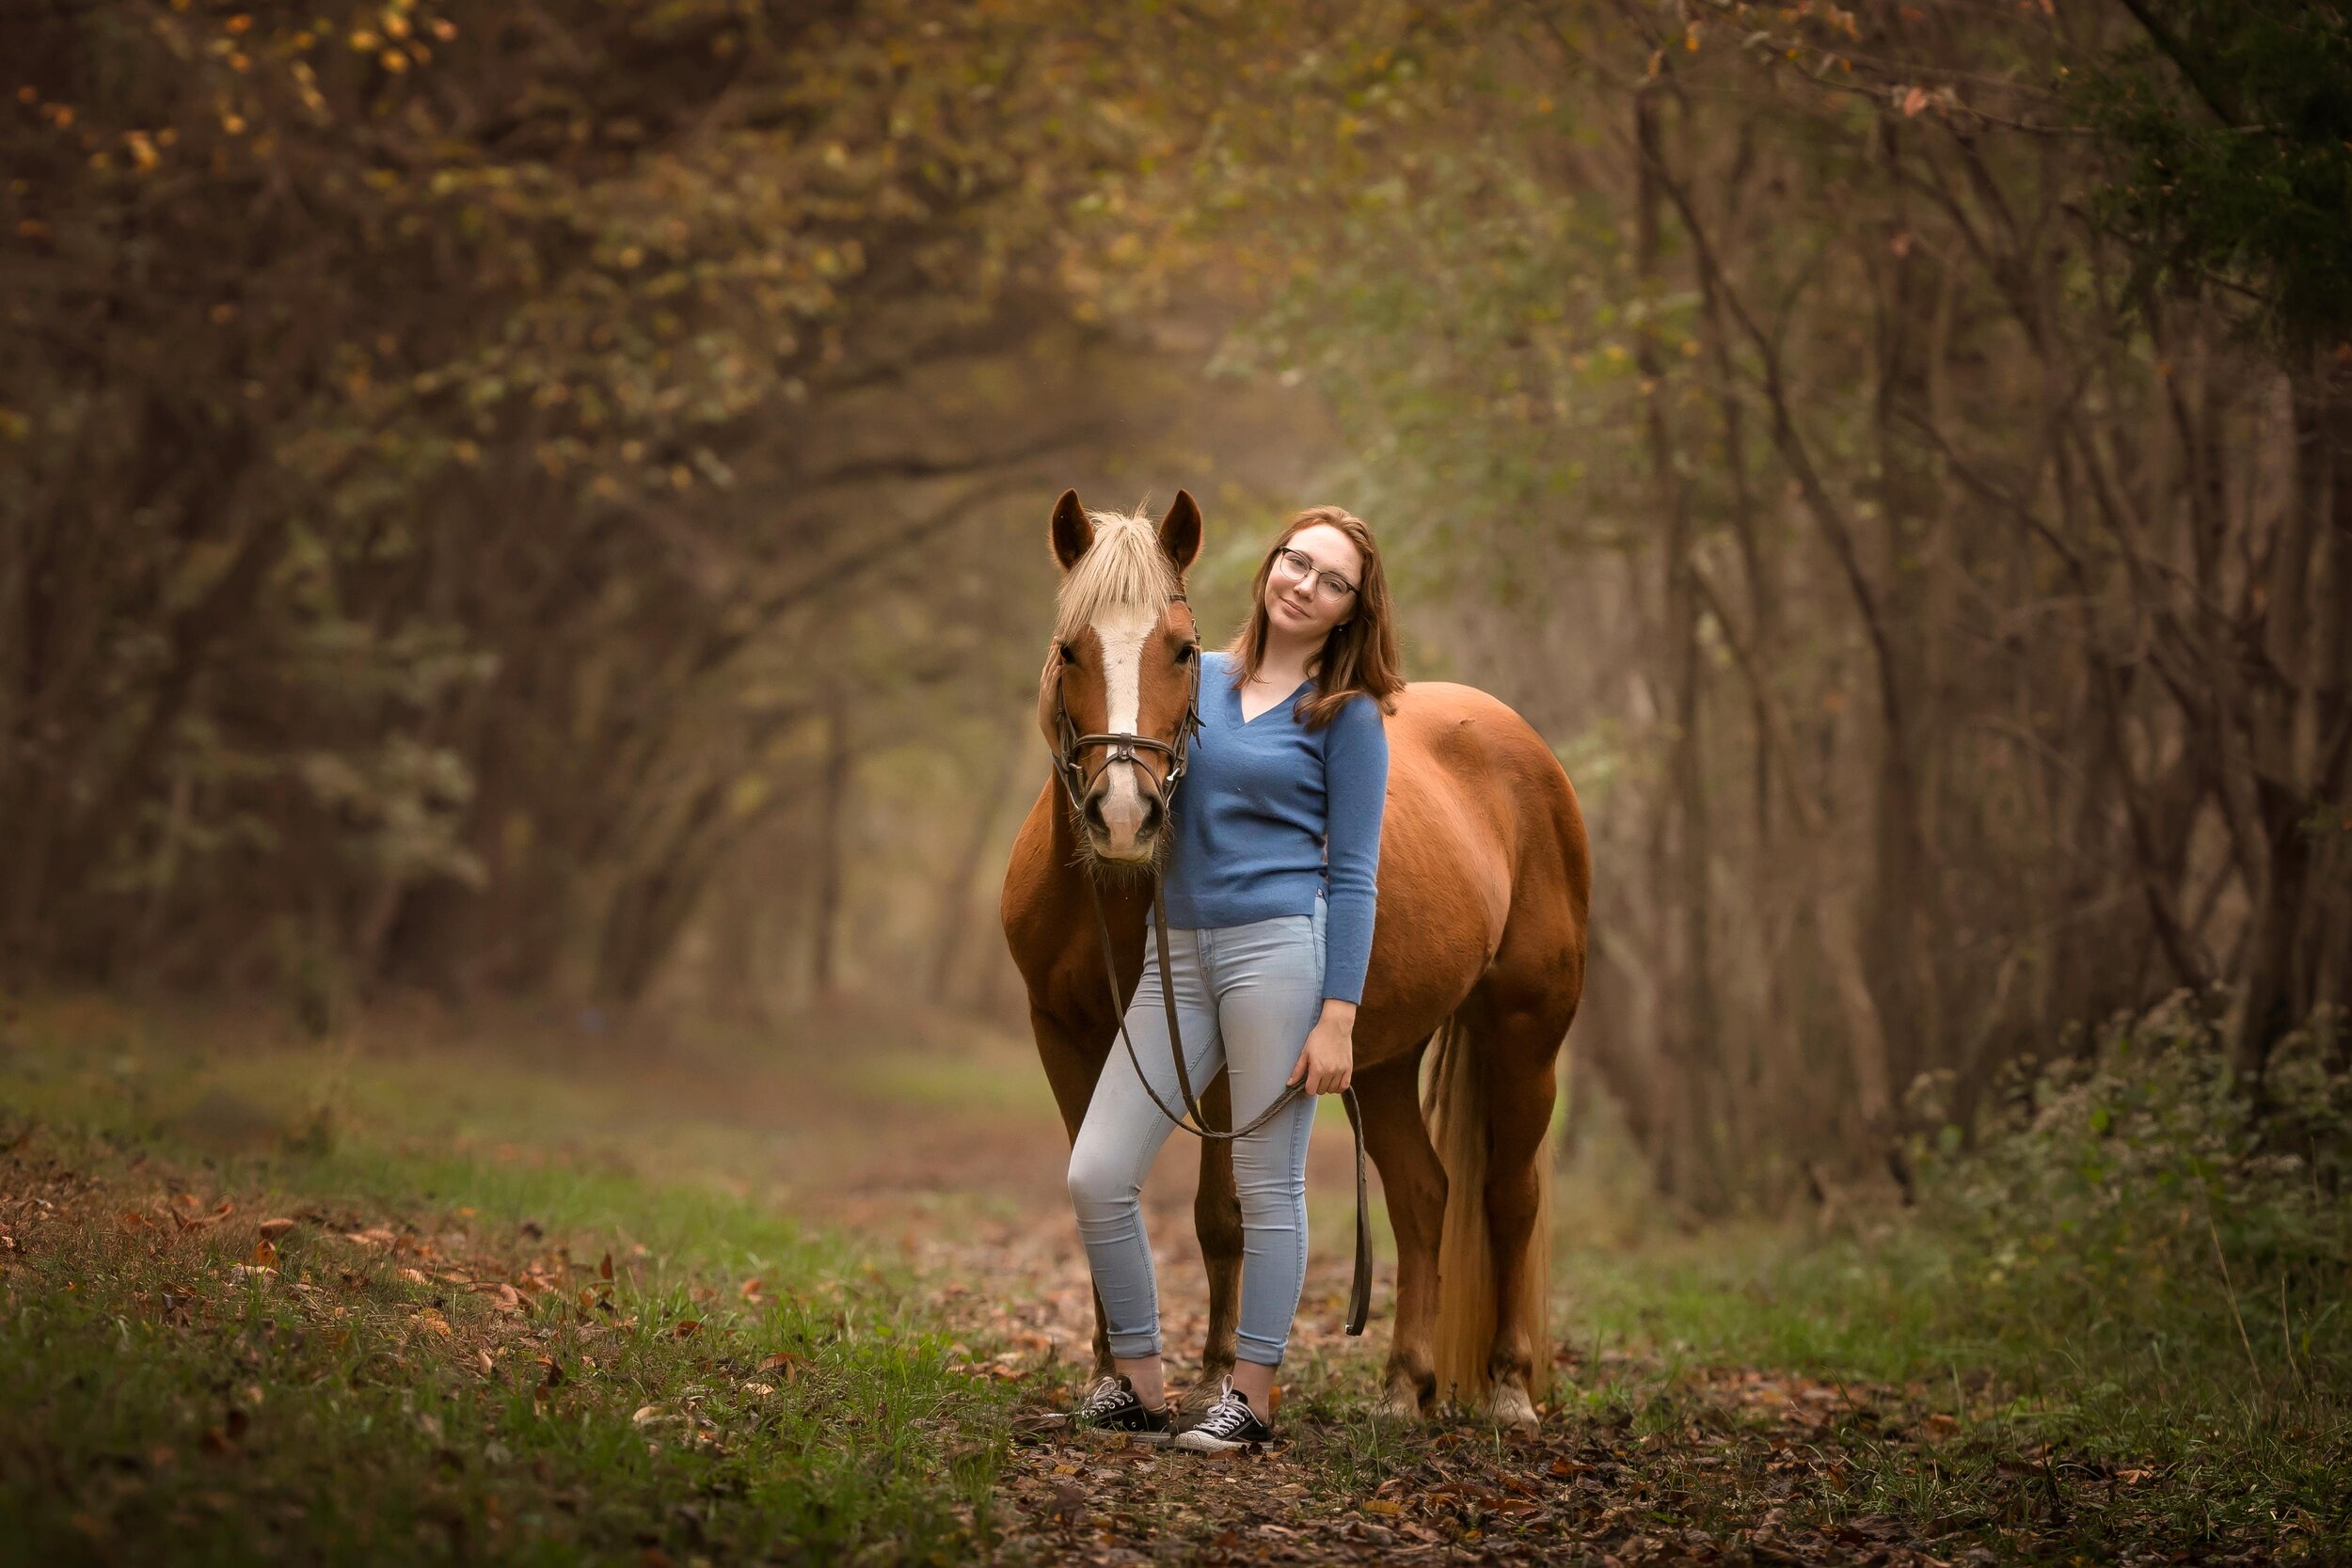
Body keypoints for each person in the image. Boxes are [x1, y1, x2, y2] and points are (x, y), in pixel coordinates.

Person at [1062, 505, 1404, 1452]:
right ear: (1268, 565)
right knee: (1096, 1171)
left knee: (1266, 1184)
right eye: (1296, 560)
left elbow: (1354, 874)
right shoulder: (1191, 677)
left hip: (1277, 952)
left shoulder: (1346, 716)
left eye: (1331, 580)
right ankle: (1136, 1377)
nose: (1305, 583)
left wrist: (1338, 1016)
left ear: (1349, 609)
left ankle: (1249, 1394)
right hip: (1175, 954)